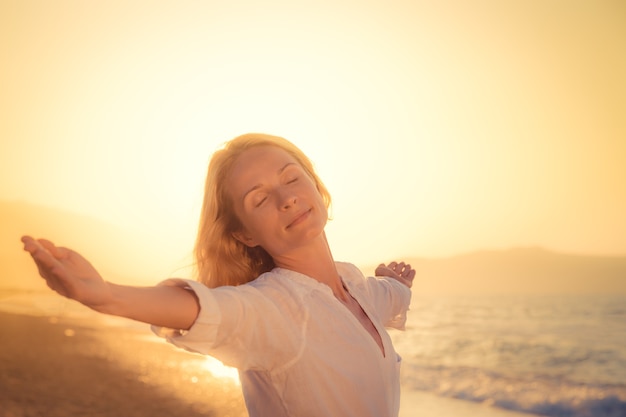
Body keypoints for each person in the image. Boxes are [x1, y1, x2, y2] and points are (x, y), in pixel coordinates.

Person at [22, 133, 415, 417]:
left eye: (292, 177)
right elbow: (208, 309)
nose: (287, 198)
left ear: (317, 186)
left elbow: (391, 296)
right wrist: (106, 295)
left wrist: (397, 282)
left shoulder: (359, 290)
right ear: (244, 233)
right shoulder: (278, 310)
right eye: (259, 199)